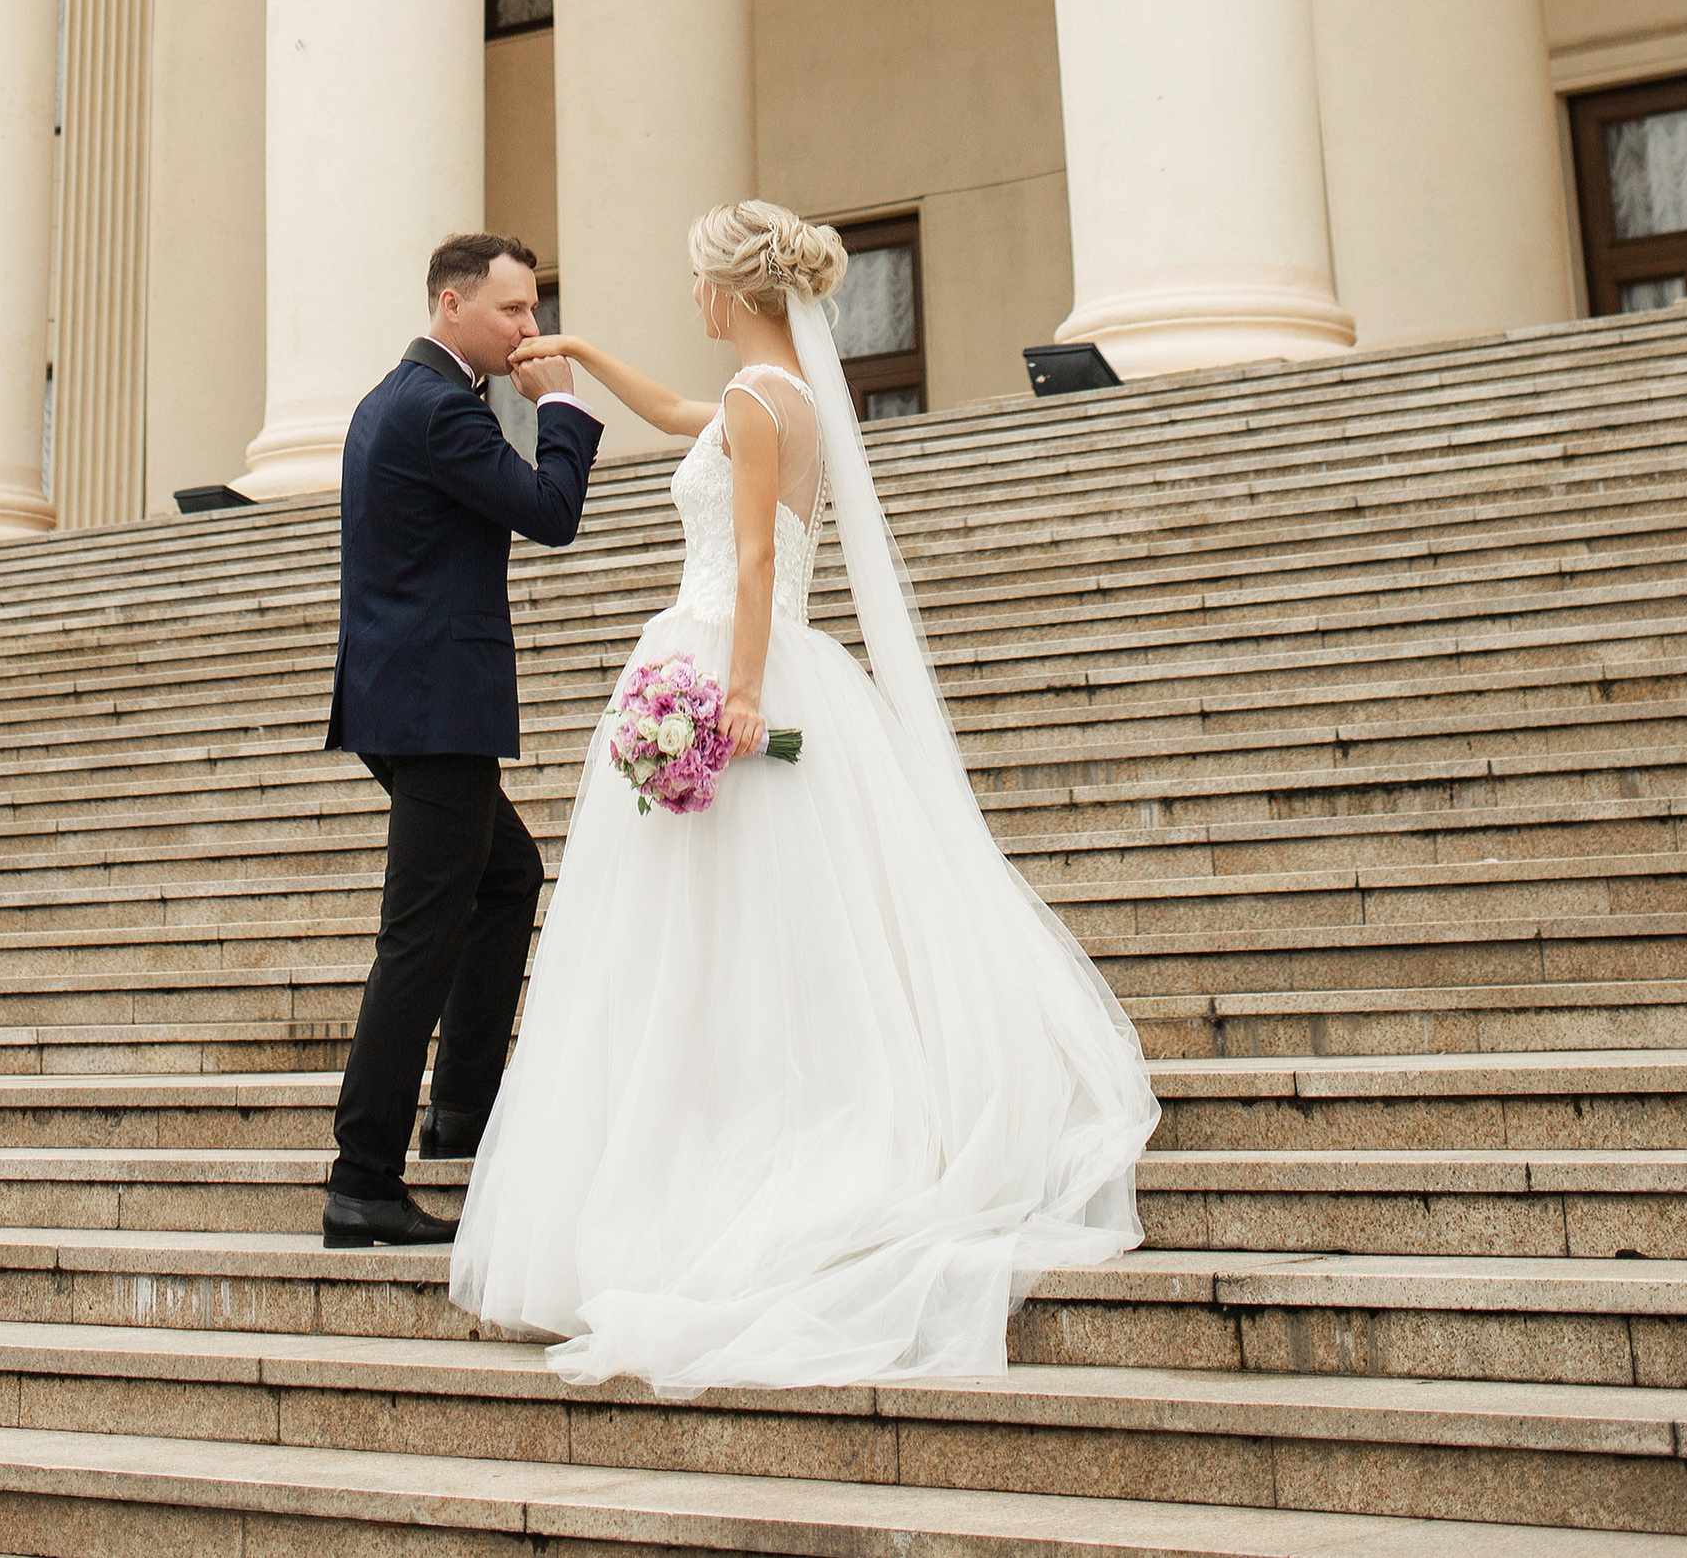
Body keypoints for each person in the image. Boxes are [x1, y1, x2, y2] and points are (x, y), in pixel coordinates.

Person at [449, 197, 1157, 1385]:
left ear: (729, 294)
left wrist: (729, 693)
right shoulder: (786, 398)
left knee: (713, 934)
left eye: (693, 285)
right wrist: (581, 358)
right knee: (762, 926)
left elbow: (762, 553)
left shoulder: (754, 401)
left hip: (730, 656)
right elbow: (685, 416)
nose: (690, 301)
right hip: (770, 661)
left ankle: (731, 1150)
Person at [321, 228, 603, 1249]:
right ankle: (362, 1179)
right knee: (418, 937)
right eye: (513, 310)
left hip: (407, 700)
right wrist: (562, 403)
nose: (531, 327)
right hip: (434, 708)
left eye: (533, 309)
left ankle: (462, 1116)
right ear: (452, 305)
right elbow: (549, 510)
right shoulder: (439, 407)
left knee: (507, 876)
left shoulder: (397, 397)